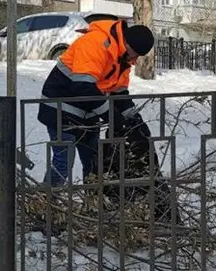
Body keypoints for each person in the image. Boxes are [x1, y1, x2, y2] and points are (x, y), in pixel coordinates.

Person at [37, 19, 156, 187]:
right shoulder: (96, 43)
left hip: (87, 114)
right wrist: (110, 115)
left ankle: (92, 205)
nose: (135, 60)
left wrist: (135, 120)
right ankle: (46, 203)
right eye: (135, 54)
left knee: (95, 164)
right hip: (60, 111)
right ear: (128, 45)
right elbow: (83, 86)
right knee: (63, 163)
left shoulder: (122, 58)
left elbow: (119, 93)